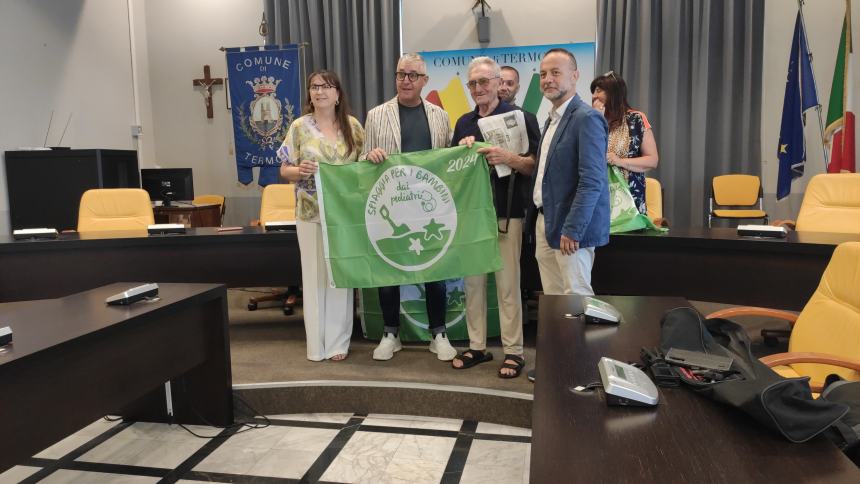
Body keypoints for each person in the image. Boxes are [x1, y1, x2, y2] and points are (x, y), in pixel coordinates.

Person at [361, 53, 457, 362]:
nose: (406, 80)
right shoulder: (376, 115)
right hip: (391, 204)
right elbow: (362, 161)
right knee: (389, 270)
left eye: (413, 75)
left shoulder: (440, 116)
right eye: (401, 74)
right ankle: (391, 333)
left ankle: (438, 333)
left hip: (429, 208)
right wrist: (370, 156)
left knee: (436, 270)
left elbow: (448, 163)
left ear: (425, 81)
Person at [451, 57, 540, 379]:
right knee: (473, 285)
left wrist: (509, 158)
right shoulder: (463, 123)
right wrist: (461, 152)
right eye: (473, 83)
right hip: (473, 215)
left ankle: (514, 351)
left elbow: (534, 166)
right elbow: (452, 172)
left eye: (484, 82)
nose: (478, 89)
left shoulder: (521, 117)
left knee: (507, 285)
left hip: (508, 212)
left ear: (498, 83)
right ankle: (477, 345)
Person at [527, 49, 609, 382]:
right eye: (544, 73)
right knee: (555, 304)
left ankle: (584, 370)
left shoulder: (586, 118)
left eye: (556, 73)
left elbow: (592, 181)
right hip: (547, 222)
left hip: (571, 230)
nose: (548, 79)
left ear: (575, 76)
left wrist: (572, 229)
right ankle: (561, 366)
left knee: (576, 300)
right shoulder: (552, 118)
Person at [277, 70, 364, 362]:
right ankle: (316, 345)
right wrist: (297, 171)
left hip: (343, 216)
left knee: (339, 277)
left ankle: (339, 342)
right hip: (309, 212)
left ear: (338, 94)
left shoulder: (353, 126)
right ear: (309, 94)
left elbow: (363, 169)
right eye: (315, 87)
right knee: (313, 278)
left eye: (326, 87)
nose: (320, 92)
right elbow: (284, 169)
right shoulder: (299, 127)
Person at [590, 71, 659, 214]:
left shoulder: (636, 119)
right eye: (593, 92)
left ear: (613, 93)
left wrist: (620, 161)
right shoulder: (590, 121)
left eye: (598, 91)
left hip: (629, 202)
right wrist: (596, 119)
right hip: (595, 197)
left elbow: (652, 160)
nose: (594, 96)